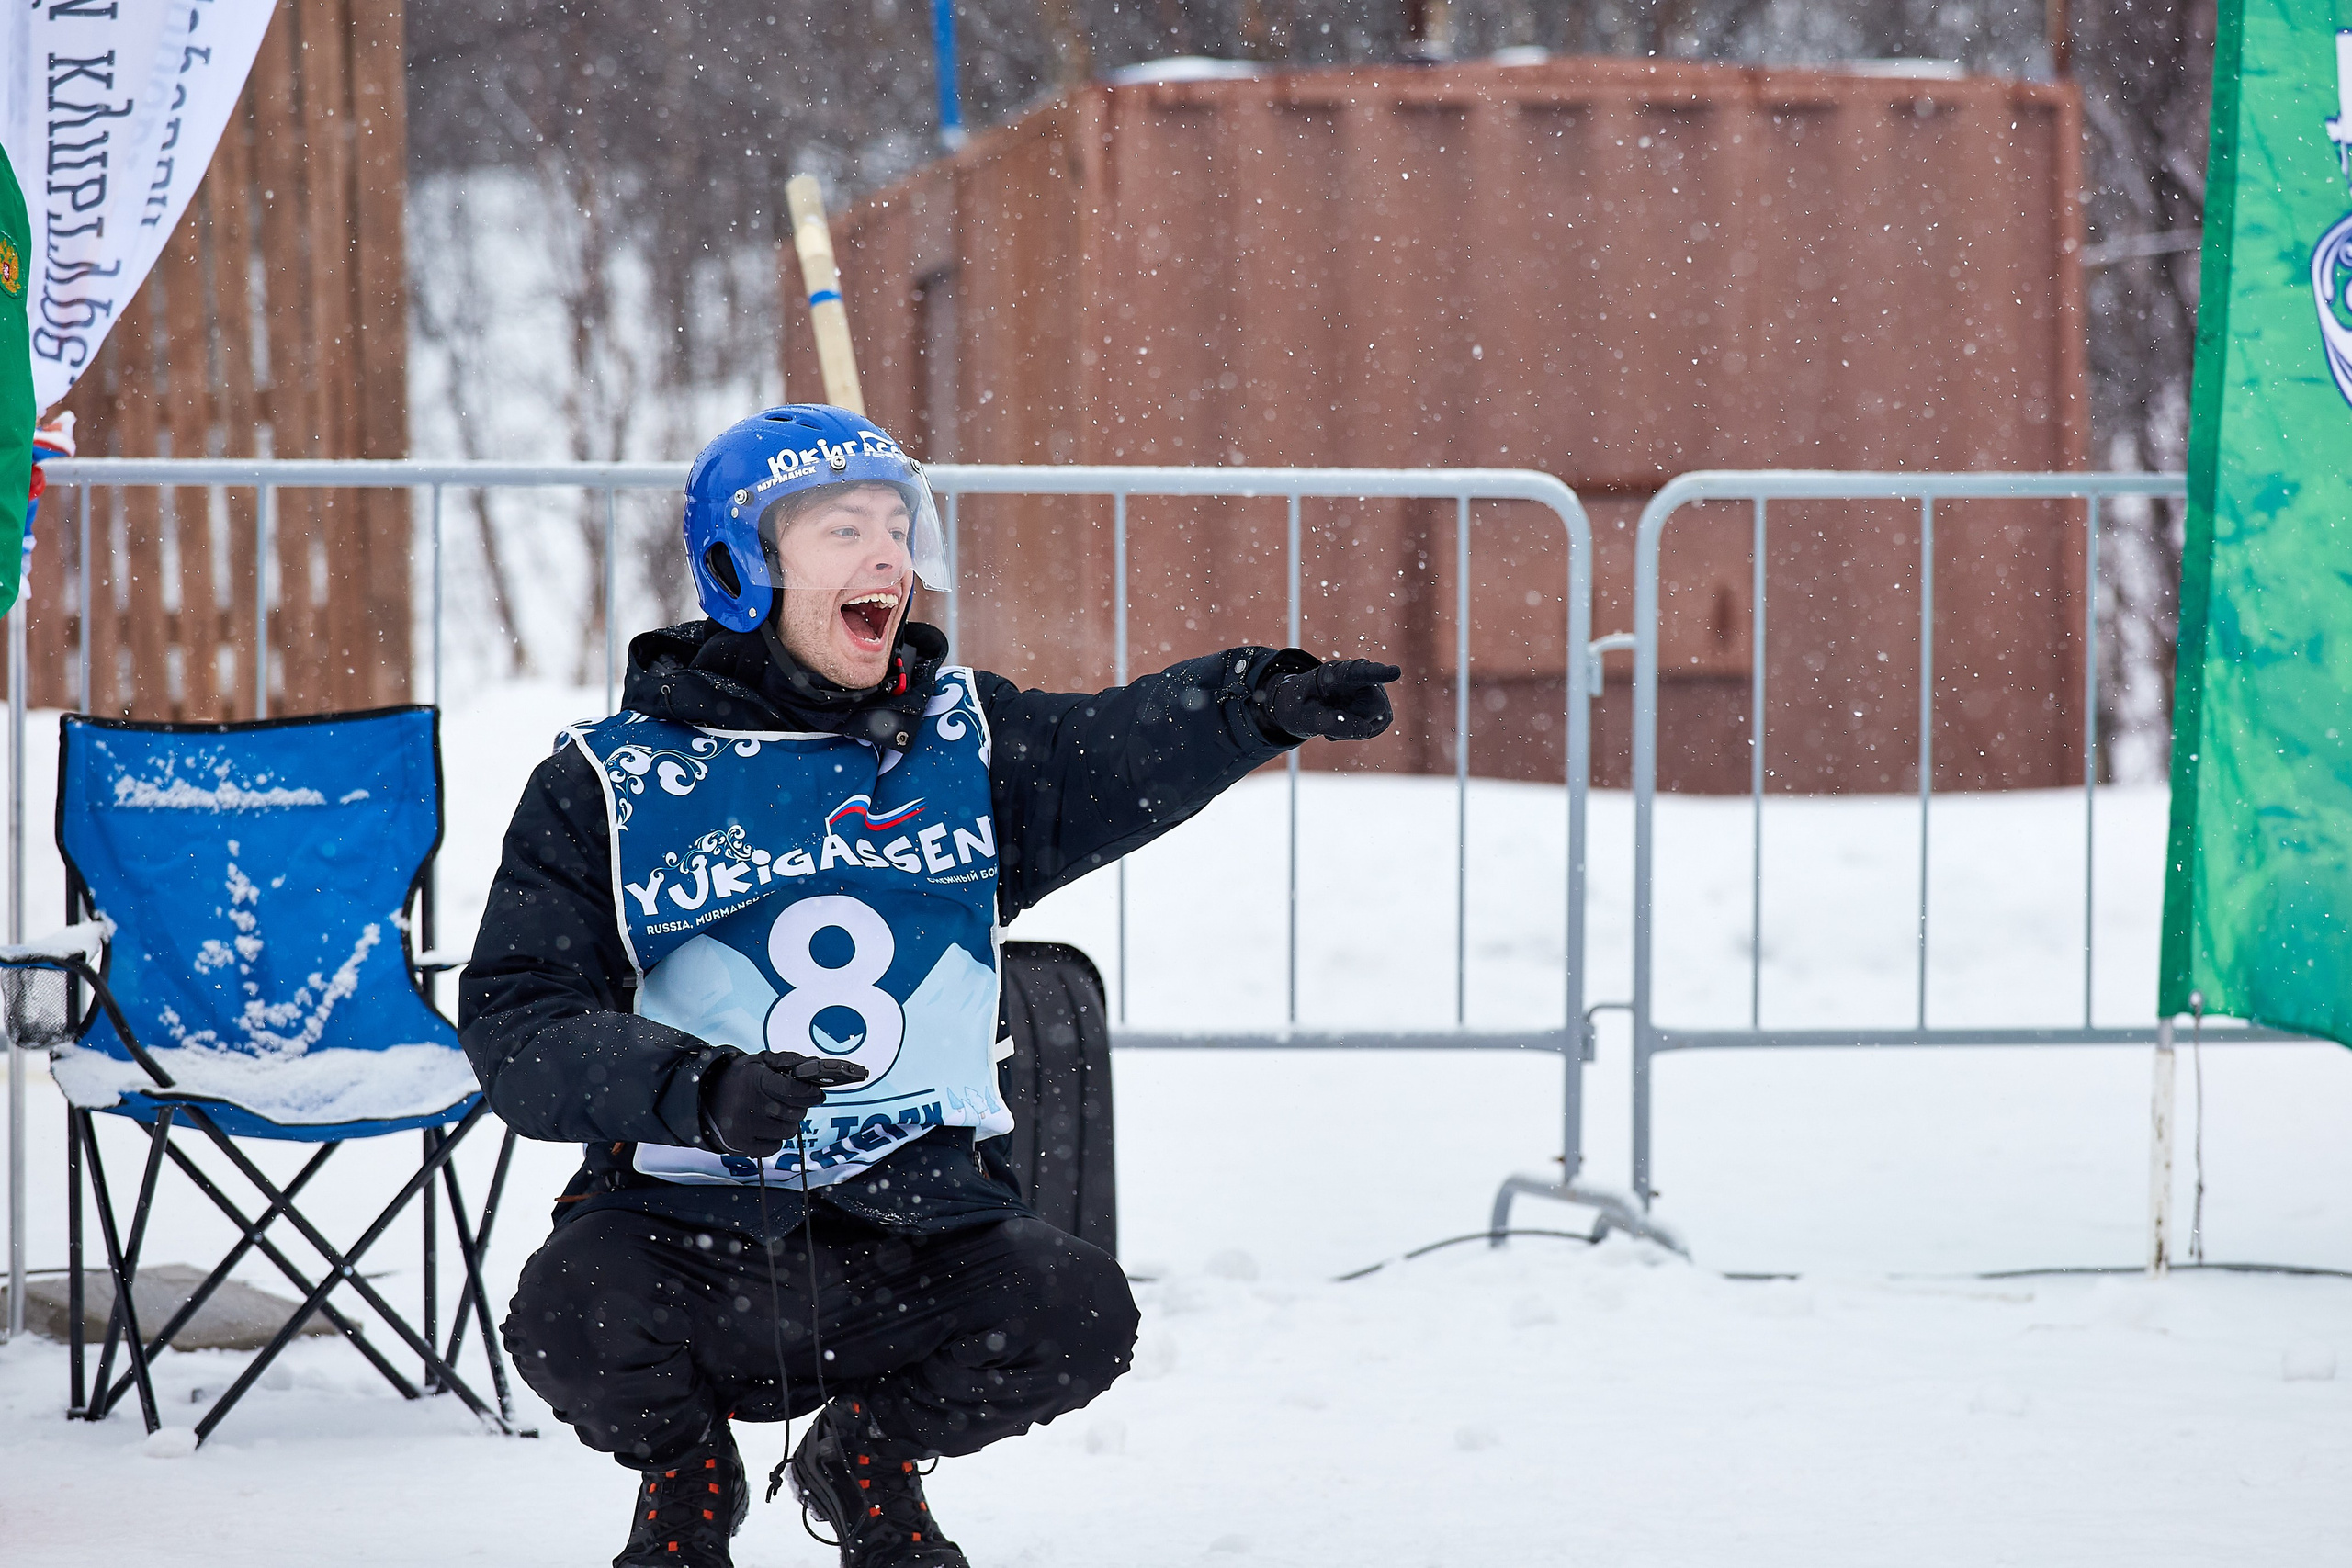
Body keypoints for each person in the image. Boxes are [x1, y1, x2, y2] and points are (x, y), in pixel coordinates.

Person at [461, 404, 1400, 1568]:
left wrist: (1252, 705)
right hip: (688, 1224)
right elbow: (517, 1022)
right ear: (740, 568)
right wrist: (694, 1088)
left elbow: (1115, 746)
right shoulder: (607, 781)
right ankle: (688, 1477)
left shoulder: (967, 744)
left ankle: (865, 1462)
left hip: (918, 1220)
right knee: (571, 1316)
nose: (888, 558)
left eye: (898, 528)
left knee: (1074, 1311)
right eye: (843, 529)